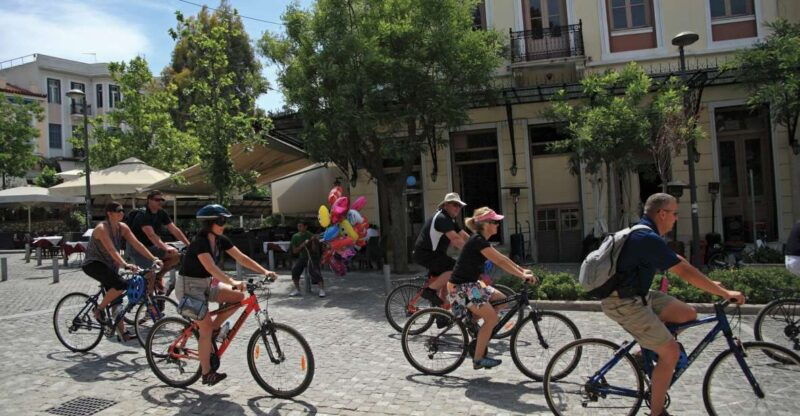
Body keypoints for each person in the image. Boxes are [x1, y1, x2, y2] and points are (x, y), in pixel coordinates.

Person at [602, 193, 745, 416]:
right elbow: (683, 271)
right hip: (622, 301)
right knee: (671, 352)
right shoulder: (645, 237)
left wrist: (709, 284)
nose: (676, 218)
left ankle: (645, 352)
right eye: (674, 213)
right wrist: (724, 292)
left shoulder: (649, 234)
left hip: (637, 294)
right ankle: (656, 412)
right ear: (661, 213)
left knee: (687, 313)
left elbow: (677, 260)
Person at [176, 204, 278, 386]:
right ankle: (207, 373)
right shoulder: (200, 242)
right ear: (210, 223)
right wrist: (233, 282)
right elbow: (211, 267)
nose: (224, 224)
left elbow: (242, 258)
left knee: (238, 297)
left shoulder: (220, 239)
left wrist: (265, 271)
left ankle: (215, 328)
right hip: (189, 287)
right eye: (221, 220)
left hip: (206, 284)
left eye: (225, 220)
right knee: (204, 329)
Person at [447, 207, 536, 370]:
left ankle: (474, 323)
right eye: (495, 222)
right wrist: (522, 276)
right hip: (460, 288)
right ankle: (478, 358)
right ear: (485, 224)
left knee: (502, 300)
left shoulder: (481, 240)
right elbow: (500, 262)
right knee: (491, 319)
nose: (498, 225)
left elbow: (502, 258)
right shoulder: (478, 241)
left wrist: (522, 270)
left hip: (472, 285)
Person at [82, 202, 163, 341]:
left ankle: (123, 332)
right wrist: (125, 264)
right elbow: (111, 250)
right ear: (109, 213)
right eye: (119, 210)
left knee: (116, 299)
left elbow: (137, 244)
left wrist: (153, 258)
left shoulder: (122, 227)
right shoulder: (102, 228)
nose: (122, 213)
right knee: (121, 285)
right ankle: (99, 309)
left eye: (122, 210)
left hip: (109, 266)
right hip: (94, 264)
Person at [127, 190, 190, 294]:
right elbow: (151, 235)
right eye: (157, 200)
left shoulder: (161, 213)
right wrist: (166, 247)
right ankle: (149, 303)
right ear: (149, 200)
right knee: (150, 274)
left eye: (161, 200)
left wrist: (189, 245)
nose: (160, 202)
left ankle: (158, 277)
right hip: (137, 248)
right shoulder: (143, 214)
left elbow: (174, 229)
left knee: (175, 256)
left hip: (152, 247)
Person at [413, 192, 470, 306]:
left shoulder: (450, 219)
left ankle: (442, 312)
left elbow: (463, 235)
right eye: (455, 204)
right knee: (455, 269)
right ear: (445, 205)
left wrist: (480, 245)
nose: (457, 208)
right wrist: (471, 252)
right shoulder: (442, 218)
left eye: (459, 205)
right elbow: (455, 239)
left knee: (446, 276)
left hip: (436, 255)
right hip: (427, 254)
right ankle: (429, 291)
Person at [289, 221, 325, 297]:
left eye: (301, 226)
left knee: (315, 271)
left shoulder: (310, 235)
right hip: (302, 257)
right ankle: (297, 290)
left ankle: (321, 289)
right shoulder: (295, 236)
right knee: (295, 270)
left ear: (305, 227)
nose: (299, 228)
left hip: (312, 257)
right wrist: (302, 245)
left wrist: (313, 241)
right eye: (298, 226)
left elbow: (315, 250)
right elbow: (295, 251)